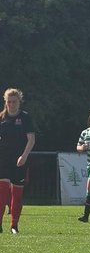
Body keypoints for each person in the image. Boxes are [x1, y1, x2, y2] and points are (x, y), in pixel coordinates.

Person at [0, 87, 36, 235]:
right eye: (9, 101)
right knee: (1, 193)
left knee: (17, 194)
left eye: (14, 101)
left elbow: (31, 139)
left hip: (19, 160)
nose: (12, 104)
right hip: (3, 159)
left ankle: (14, 225)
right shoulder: (1, 117)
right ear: (5, 102)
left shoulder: (25, 117)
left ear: (19, 102)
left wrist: (24, 155)